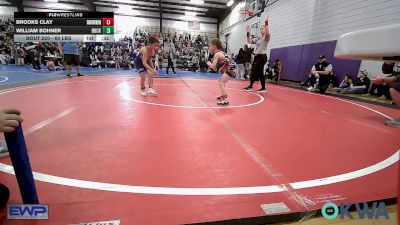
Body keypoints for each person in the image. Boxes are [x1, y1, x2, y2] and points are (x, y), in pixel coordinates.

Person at [244, 19, 270, 93]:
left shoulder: (266, 38)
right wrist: (248, 32)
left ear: (265, 30)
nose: (261, 30)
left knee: (254, 71)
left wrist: (266, 24)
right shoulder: (259, 39)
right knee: (260, 73)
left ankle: (250, 86)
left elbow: (268, 33)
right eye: (260, 29)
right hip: (257, 57)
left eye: (262, 28)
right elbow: (249, 41)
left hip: (262, 57)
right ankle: (263, 88)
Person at [207, 39, 236, 105]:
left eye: (210, 46)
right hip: (231, 66)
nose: (209, 47)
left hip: (231, 67)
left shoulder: (217, 54)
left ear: (214, 46)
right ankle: (223, 95)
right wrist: (222, 68)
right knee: (221, 81)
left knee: (221, 82)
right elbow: (228, 60)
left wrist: (208, 63)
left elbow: (213, 66)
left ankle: (225, 99)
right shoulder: (221, 52)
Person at [372, 62, 400, 127]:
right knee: (377, 80)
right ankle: (386, 95)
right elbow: (386, 71)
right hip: (396, 77)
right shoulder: (396, 55)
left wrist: (384, 80)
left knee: (395, 86)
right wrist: (388, 62)